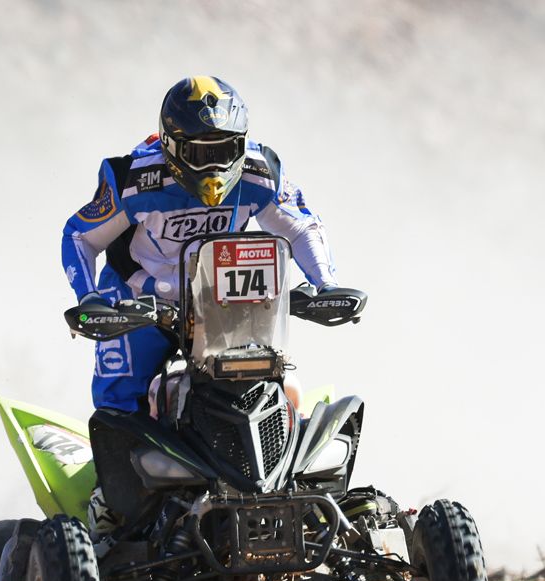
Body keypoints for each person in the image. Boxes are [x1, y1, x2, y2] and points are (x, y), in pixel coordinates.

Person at [60, 75, 339, 413]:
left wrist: (325, 283)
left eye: (224, 151)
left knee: (274, 384)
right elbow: (79, 235)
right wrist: (89, 298)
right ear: (170, 145)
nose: (215, 168)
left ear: (242, 144)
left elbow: (301, 226)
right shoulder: (134, 181)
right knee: (119, 402)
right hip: (138, 296)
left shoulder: (259, 173)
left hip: (222, 301)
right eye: (199, 152)